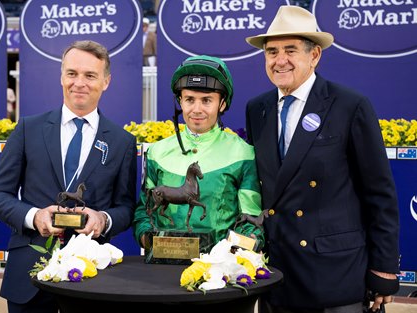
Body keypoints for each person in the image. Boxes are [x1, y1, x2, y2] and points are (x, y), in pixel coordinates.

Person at [244, 5, 400, 313]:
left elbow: (379, 193)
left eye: (291, 50)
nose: (280, 60)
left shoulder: (349, 105)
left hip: (335, 275)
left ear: (314, 55)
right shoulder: (257, 109)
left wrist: (383, 269)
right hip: (278, 275)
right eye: (272, 52)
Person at [0, 40, 137, 313]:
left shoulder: (122, 142)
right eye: (72, 73)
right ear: (61, 77)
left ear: (106, 81)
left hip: (92, 278)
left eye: (90, 75)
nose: (79, 82)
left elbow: (126, 207)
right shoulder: (27, 129)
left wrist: (103, 219)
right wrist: (35, 216)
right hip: (28, 276)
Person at [133, 55, 264, 250]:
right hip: (162, 270)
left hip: (219, 272)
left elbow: (251, 220)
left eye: (206, 100)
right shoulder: (156, 152)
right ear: (180, 101)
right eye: (189, 99)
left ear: (223, 104)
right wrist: (149, 240)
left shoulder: (243, 153)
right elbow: (144, 212)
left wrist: (230, 255)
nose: (196, 109)